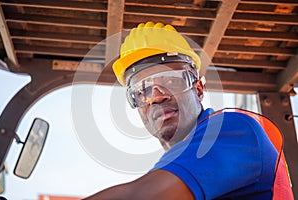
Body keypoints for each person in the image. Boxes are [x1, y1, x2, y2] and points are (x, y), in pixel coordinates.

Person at [84, 22, 293, 200]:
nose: (157, 96)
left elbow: (138, 196)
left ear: (198, 89)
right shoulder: (171, 168)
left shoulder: (233, 132)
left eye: (170, 80)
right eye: (142, 90)